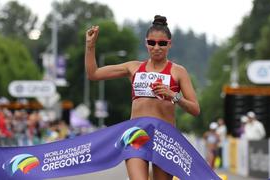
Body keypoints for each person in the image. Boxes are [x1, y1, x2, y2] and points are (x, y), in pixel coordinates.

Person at [85, 15, 200, 180]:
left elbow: (195, 109)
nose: (156, 47)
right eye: (152, 43)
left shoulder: (178, 71)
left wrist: (173, 95)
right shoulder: (133, 68)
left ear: (170, 44)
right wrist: (90, 46)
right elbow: (93, 74)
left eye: (162, 43)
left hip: (164, 137)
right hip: (136, 134)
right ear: (146, 43)